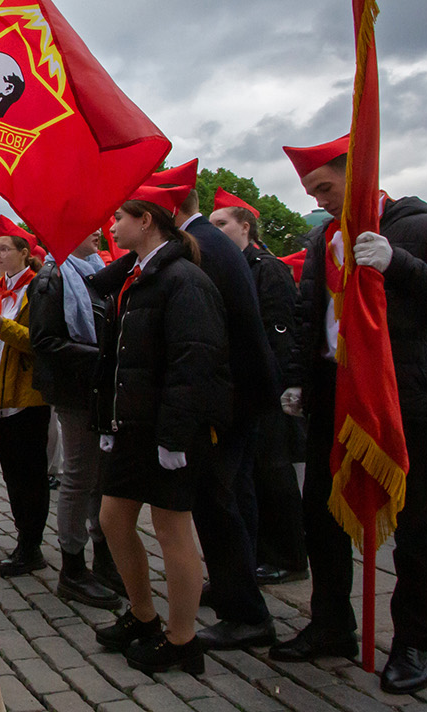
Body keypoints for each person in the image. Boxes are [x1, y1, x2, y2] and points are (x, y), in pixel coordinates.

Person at [271, 134, 427, 695]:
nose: (317, 199)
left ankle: (415, 640)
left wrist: (399, 264)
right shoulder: (323, 240)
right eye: (311, 192)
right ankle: (331, 621)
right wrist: (296, 379)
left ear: (357, 173)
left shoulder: (426, 227)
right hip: (332, 394)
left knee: (414, 524)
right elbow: (309, 314)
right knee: (324, 515)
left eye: (325, 187)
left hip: (403, 394)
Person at [88, 187, 232, 675]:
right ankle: (144, 616)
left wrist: (174, 437)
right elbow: (118, 359)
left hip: (170, 430)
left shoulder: (183, 279)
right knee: (113, 518)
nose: (111, 225)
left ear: (146, 220)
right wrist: (107, 421)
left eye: (118, 216)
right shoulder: (135, 275)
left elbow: (194, 360)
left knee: (172, 529)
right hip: (131, 425)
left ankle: (182, 638)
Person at [167, 180, 278, 650]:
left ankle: (246, 614)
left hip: (231, 396)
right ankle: (234, 589)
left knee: (218, 504)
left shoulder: (199, 245)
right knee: (227, 499)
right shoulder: (207, 240)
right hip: (240, 391)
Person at [207, 202, 307, 585]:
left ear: (245, 227)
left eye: (222, 224)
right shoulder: (235, 266)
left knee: (273, 473)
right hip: (244, 388)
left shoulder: (268, 269)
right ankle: (259, 552)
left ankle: (288, 556)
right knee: (251, 476)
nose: (215, 231)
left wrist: (277, 387)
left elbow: (279, 333)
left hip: (268, 388)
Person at [28, 227, 123, 608]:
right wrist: (102, 355)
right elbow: (45, 340)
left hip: (97, 389)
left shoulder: (93, 271)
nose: (98, 232)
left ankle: (103, 558)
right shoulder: (52, 278)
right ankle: (72, 567)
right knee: (79, 477)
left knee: (100, 476)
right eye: (87, 226)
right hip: (75, 392)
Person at [0, 224, 51, 576]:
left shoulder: (38, 290)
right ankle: (25, 537)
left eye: (4, 249)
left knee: (30, 475)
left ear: (25, 252)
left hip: (26, 399)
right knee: (10, 474)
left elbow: (41, 342)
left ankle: (31, 544)